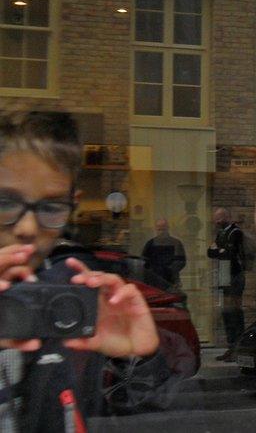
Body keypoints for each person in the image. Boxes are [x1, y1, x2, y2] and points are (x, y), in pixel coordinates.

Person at [0, 110, 161, 432]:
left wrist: (136, 361)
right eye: (5, 203)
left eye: (51, 208)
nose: (28, 228)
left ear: (73, 204)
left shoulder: (68, 290)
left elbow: (119, 408)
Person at [207, 207, 245, 361]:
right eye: (215, 219)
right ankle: (231, 347)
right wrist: (220, 250)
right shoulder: (222, 234)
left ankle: (238, 348)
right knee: (226, 312)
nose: (216, 222)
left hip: (234, 276)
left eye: (219, 218)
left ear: (227, 217)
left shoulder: (235, 233)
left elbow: (230, 253)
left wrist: (220, 250)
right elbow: (210, 252)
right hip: (224, 275)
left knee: (234, 312)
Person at [141, 218, 186, 286]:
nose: (161, 232)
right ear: (156, 229)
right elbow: (144, 261)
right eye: (159, 229)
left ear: (168, 228)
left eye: (163, 229)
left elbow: (181, 261)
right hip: (155, 279)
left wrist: (169, 270)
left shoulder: (176, 243)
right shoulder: (150, 244)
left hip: (171, 280)